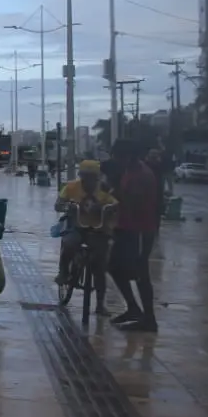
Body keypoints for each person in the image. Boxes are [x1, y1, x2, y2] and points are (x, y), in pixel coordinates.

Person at [107, 139, 161, 332]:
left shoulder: (141, 175)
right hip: (127, 228)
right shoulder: (130, 171)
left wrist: (114, 202)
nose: (116, 161)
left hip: (138, 230)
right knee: (114, 266)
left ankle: (148, 318)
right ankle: (133, 308)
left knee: (140, 273)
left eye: (117, 157)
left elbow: (133, 203)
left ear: (127, 156)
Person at [53, 159, 117, 315]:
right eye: (85, 177)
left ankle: (100, 304)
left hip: (99, 229)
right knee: (69, 243)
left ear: (97, 177)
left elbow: (115, 204)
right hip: (76, 227)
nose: (88, 180)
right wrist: (66, 205)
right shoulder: (71, 187)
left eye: (92, 177)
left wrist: (109, 209)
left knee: (100, 265)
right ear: (80, 176)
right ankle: (63, 272)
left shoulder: (105, 190)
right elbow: (58, 203)